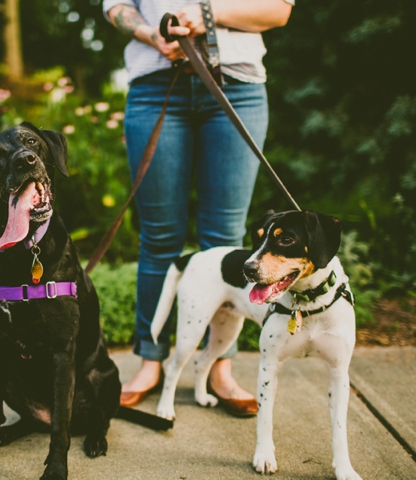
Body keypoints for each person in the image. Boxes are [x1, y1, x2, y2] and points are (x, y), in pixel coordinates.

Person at [103, 0, 294, 415]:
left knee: (226, 239)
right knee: (158, 238)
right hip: (155, 86)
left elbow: (279, 10)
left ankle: (220, 368)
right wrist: (152, 34)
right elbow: (115, 6)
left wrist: (207, 15)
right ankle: (150, 360)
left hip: (236, 87)